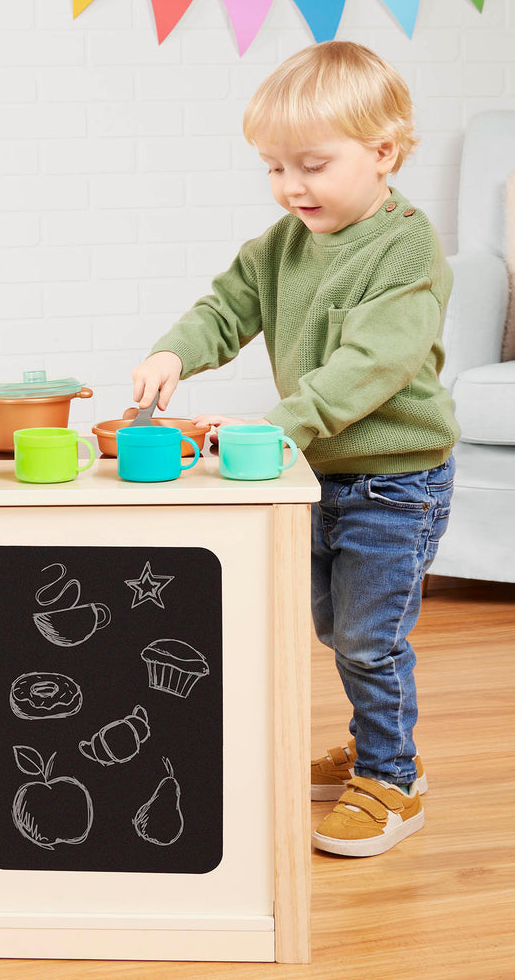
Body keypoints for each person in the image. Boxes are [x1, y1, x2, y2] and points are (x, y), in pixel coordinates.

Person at [131, 41, 459, 857]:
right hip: (322, 473)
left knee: (368, 638)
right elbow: (226, 306)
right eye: (274, 169)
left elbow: (372, 364)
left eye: (310, 165)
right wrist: (176, 351)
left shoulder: (406, 249)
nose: (291, 187)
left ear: (383, 153)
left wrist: (284, 424)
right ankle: (374, 741)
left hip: (395, 482)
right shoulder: (282, 244)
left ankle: (393, 776)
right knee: (333, 626)